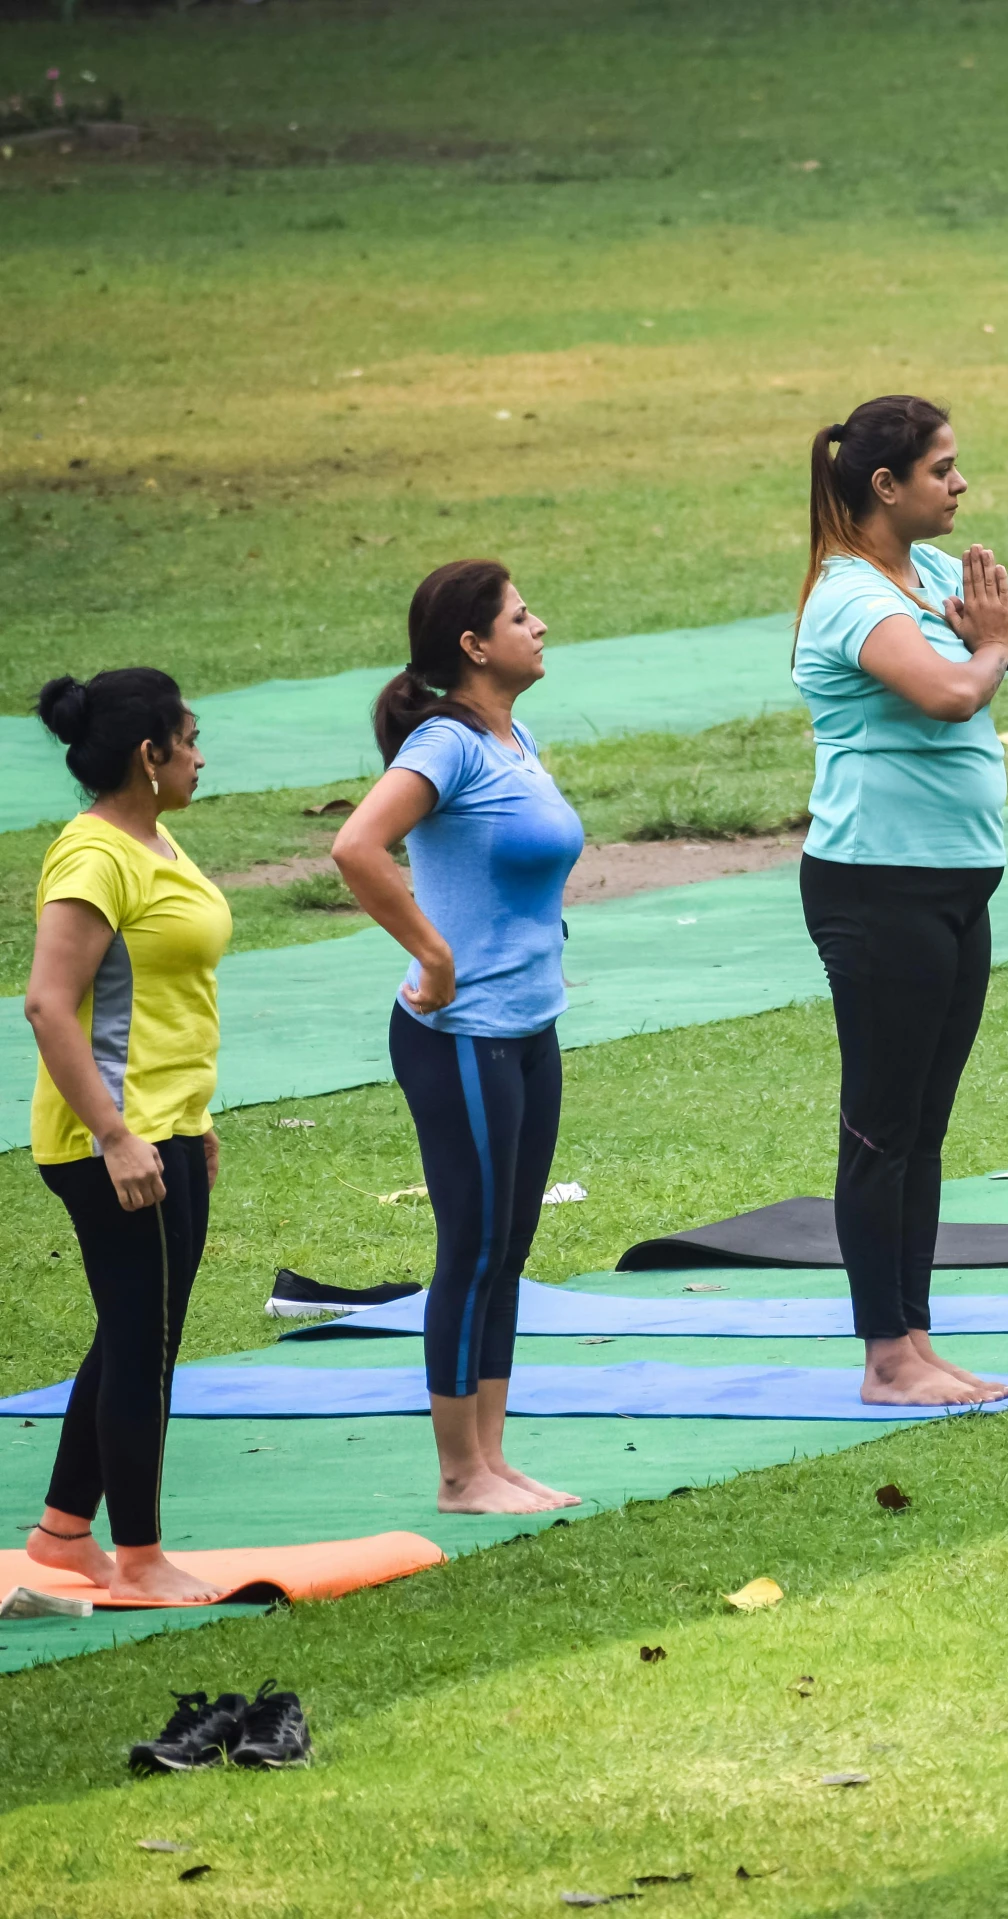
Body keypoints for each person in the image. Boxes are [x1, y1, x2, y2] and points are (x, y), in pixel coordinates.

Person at [794, 395, 1008, 1404]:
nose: (960, 485)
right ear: (886, 485)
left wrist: (1002, 639)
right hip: (875, 886)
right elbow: (953, 693)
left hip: (954, 882)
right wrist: (994, 644)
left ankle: (915, 1339)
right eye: (943, 469)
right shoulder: (849, 598)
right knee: (880, 1124)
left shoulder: (923, 574)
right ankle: (884, 1359)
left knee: (925, 1123)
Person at [332, 560, 586, 1513]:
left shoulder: (512, 734)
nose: (540, 625)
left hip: (526, 1026)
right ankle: (457, 1475)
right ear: (475, 645)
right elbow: (356, 846)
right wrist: (433, 956)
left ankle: (493, 1456)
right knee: (472, 1247)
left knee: (508, 1246)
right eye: (522, 616)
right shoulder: (446, 744)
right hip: (461, 1033)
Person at [23, 669, 230, 1603]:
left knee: (135, 1331)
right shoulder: (92, 856)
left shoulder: (153, 838)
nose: (198, 753)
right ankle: (140, 1558)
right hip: (112, 1139)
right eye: (187, 738)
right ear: (148, 756)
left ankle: (66, 1530)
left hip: (166, 1126)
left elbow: (160, 997)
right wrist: (114, 1134)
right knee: (144, 1341)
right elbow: (49, 1005)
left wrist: (194, 1122)